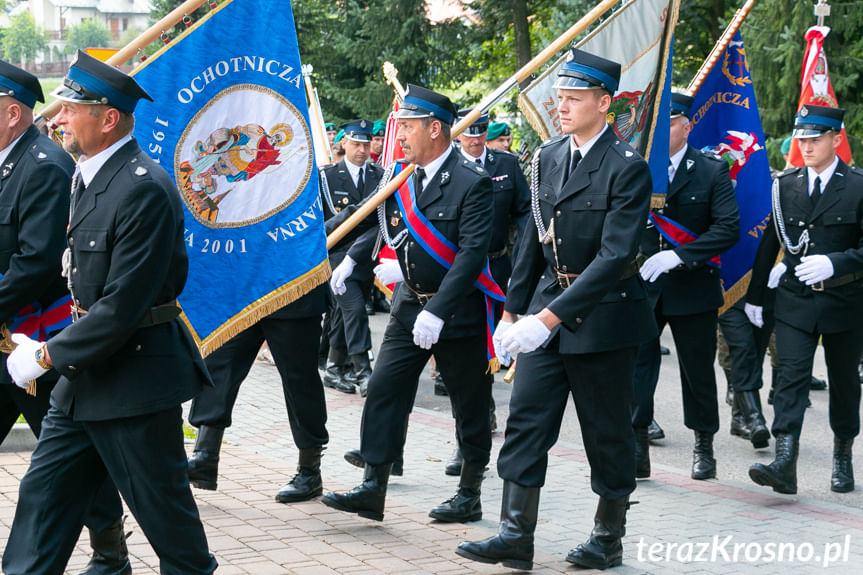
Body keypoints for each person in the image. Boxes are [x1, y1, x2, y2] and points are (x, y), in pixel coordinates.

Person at [2, 51, 217, 575]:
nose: (56, 119)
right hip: (86, 375)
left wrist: (48, 354)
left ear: (108, 117)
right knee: (42, 501)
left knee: (169, 525)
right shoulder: (89, 175)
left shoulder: (142, 187)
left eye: (70, 110)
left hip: (136, 380)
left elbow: (123, 305)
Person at [456, 48, 655, 571]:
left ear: (604, 102)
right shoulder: (546, 156)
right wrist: (511, 312)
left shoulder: (627, 168)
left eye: (573, 98)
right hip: (545, 307)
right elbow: (531, 242)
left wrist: (547, 319)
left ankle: (607, 540)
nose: (561, 106)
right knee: (526, 422)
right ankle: (514, 533)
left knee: (606, 432)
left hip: (605, 318)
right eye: (560, 97)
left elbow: (615, 257)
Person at [322, 84, 495, 523]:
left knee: (468, 402)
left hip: (455, 313)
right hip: (407, 305)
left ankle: (469, 493)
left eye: (408, 127)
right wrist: (354, 261)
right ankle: (372, 485)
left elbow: (472, 255)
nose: (398, 137)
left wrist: (439, 311)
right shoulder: (400, 175)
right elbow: (377, 221)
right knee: (384, 389)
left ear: (435, 129)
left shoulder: (472, 183)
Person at [0, 59, 129, 575]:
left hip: (38, 340)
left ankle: (109, 551)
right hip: (5, 334)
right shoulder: (7, 160)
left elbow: (35, 260)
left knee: (74, 449)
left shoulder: (44, 165)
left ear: (12, 114)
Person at [746, 104, 863, 495]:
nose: (807, 146)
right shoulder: (786, 184)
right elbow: (770, 242)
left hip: (845, 300)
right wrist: (756, 295)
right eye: (802, 139)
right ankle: (784, 460)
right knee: (790, 378)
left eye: (815, 139)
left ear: (835, 139)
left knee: (844, 383)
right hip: (796, 300)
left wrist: (836, 262)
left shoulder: (858, 185)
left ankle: (842, 455)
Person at [630, 92, 739, 481]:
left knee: (697, 370)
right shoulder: (638, 167)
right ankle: (637, 443)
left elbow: (728, 228)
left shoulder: (711, 170)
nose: (662, 131)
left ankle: (703, 445)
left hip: (693, 286)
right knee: (638, 366)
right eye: (658, 123)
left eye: (671, 123)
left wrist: (679, 256)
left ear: (687, 126)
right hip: (644, 284)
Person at [443, 107, 530, 475]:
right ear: (458, 133)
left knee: (494, 349)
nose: (476, 138)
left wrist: (524, 257)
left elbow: (525, 213)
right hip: (462, 272)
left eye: (481, 131)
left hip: (497, 268)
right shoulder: (448, 167)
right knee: (467, 360)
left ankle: (479, 430)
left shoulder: (507, 165)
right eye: (469, 132)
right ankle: (466, 441)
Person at [186, 284, 330, 501]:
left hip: (292, 285)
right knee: (219, 361)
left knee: (299, 380)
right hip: (245, 288)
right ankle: (205, 456)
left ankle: (309, 470)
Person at [320, 120, 384, 396]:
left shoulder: (380, 176)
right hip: (335, 257)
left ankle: (334, 369)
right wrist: (351, 215)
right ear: (343, 143)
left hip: (366, 257)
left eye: (366, 144)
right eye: (356, 144)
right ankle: (363, 372)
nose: (362, 150)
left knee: (342, 314)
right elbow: (322, 224)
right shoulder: (327, 176)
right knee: (355, 311)